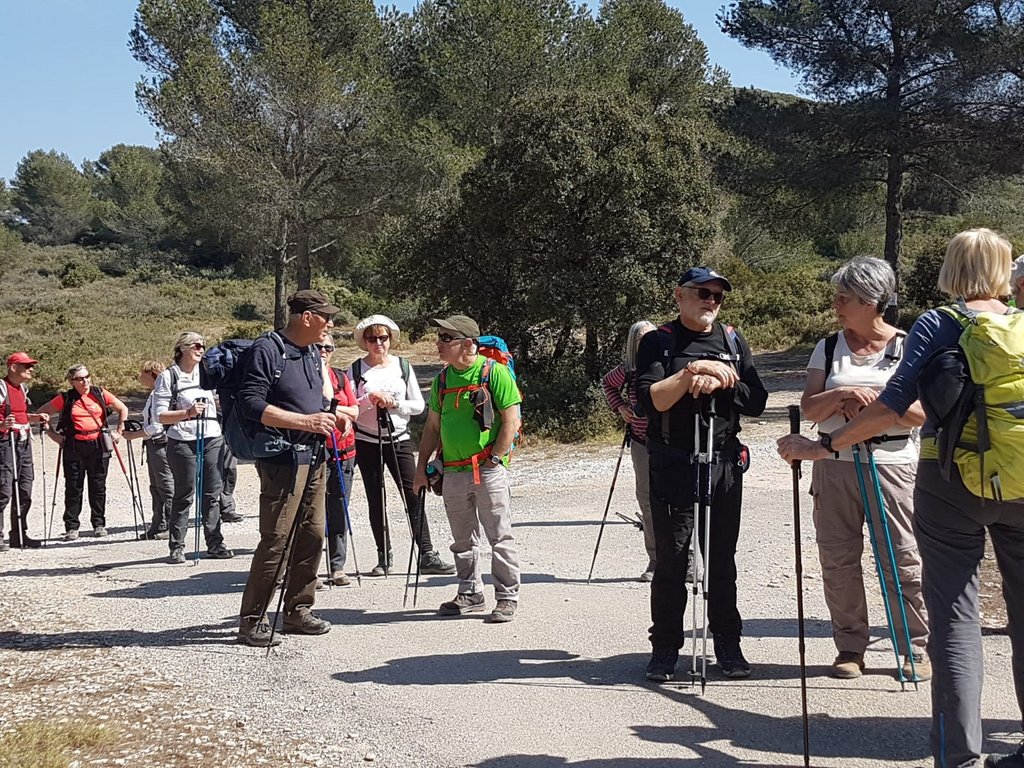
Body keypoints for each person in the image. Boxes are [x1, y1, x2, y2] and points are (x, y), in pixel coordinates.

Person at [778, 229, 1024, 768]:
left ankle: (959, 757)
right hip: (1021, 482)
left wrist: (826, 445)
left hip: (947, 481)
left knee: (955, 619)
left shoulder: (938, 324)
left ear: (951, 269)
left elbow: (894, 406)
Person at [800, 257, 929, 681]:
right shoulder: (829, 346)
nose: (835, 304)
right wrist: (842, 395)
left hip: (892, 464)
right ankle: (850, 647)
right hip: (833, 465)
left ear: (873, 302)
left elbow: (920, 415)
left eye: (845, 298)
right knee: (838, 559)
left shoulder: (909, 345)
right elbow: (809, 408)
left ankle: (913, 647)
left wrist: (877, 398)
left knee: (902, 557)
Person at [636, 267, 768, 682]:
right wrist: (693, 372)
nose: (711, 301)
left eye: (718, 296)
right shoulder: (658, 341)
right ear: (680, 295)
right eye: (702, 293)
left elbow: (757, 401)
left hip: (723, 462)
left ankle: (728, 645)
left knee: (721, 561)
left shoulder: (732, 339)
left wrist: (724, 382)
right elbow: (650, 400)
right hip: (673, 462)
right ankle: (664, 651)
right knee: (673, 562)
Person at [236, 290, 352, 647]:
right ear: (305, 317)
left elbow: (317, 402)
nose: (330, 324)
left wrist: (334, 417)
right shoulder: (267, 350)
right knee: (277, 540)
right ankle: (253, 620)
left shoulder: (311, 354)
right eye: (325, 317)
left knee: (313, 535)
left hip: (315, 457)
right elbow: (250, 403)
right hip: (282, 459)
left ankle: (297, 611)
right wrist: (305, 422)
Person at [414, 314, 522, 623]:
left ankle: (506, 597)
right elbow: (432, 428)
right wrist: (422, 468)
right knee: (462, 539)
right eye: (439, 337)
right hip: (453, 471)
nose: (439, 344)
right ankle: (470, 592)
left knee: (499, 536)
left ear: (469, 344)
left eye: (446, 338)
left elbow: (511, 420)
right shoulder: (443, 380)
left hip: (486, 470)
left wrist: (495, 458)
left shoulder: (495, 373)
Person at [347, 314, 454, 577]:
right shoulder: (356, 370)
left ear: (391, 339)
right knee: (376, 498)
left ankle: (426, 553)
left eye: (383, 338)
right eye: (372, 338)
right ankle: (383, 557)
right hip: (367, 441)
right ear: (365, 341)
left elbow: (418, 406)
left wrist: (396, 404)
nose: (378, 343)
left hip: (399, 439)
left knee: (414, 493)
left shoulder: (403, 367)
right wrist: (369, 399)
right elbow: (350, 408)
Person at [154, 333, 233, 564]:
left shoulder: (208, 373)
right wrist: (187, 413)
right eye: (197, 346)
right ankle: (177, 546)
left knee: (212, 493)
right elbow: (160, 416)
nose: (201, 349)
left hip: (211, 437)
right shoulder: (169, 377)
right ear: (183, 348)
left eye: (203, 346)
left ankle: (215, 543)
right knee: (184, 493)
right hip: (181, 439)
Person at [39, 365, 129, 541]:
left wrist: (119, 431)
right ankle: (72, 526)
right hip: (74, 445)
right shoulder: (66, 398)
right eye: (80, 378)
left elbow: (122, 409)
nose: (85, 381)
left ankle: (99, 524)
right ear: (72, 381)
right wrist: (53, 435)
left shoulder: (100, 393)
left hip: (98, 444)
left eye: (87, 376)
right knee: (73, 486)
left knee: (98, 486)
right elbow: (42, 412)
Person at [602, 320, 658, 581]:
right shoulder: (629, 369)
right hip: (640, 441)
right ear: (633, 343)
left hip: (672, 442)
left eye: (651, 337)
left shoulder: (668, 364)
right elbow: (608, 384)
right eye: (641, 339)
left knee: (680, 500)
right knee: (647, 500)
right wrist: (621, 408)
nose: (646, 343)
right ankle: (656, 560)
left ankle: (688, 560)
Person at [319, 336, 358, 586]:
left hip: (344, 452)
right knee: (312, 514)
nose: (323, 351)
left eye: (328, 348)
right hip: (316, 453)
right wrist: (336, 409)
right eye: (318, 347)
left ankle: (337, 567)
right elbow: (317, 403)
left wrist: (335, 410)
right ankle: (308, 569)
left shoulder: (341, 377)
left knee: (338, 510)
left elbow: (355, 411)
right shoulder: (306, 377)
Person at [0, 352, 50, 550]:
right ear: (13, 367)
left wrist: (35, 418)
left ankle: (19, 534)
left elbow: (20, 415)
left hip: (23, 441)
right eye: (26, 365)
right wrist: (2, 425)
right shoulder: (2, 387)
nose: (31, 369)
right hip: (5, 442)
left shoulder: (22, 388)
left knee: (24, 488)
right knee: (3, 489)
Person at [124, 360, 173, 540]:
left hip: (160, 443)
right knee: (156, 485)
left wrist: (135, 434)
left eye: (142, 373)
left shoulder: (162, 394)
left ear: (152, 374)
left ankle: (172, 525)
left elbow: (157, 425)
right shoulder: (154, 394)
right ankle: (159, 523)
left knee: (166, 484)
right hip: (153, 443)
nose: (139, 377)